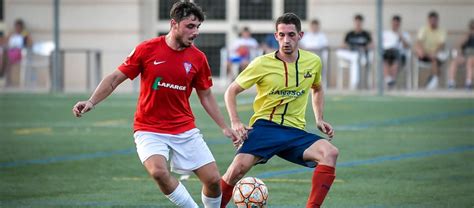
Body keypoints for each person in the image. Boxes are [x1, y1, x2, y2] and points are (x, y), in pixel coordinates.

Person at [72, 2, 239, 208]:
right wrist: (91, 101)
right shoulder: (147, 49)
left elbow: (205, 95)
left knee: (213, 180)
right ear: (174, 24)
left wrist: (224, 126)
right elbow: (115, 78)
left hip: (184, 128)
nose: (195, 32)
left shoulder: (198, 58)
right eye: (190, 26)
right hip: (149, 128)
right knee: (159, 172)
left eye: (197, 27)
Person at [219, 13, 339, 208]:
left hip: (294, 132)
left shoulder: (313, 61)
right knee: (236, 171)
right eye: (282, 35)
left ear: (300, 35)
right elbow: (231, 91)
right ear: (276, 36)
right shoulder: (261, 63)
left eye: (291, 35)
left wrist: (319, 118)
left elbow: (317, 88)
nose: (286, 40)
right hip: (266, 127)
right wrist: (236, 122)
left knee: (330, 153)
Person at [336, 14, 373, 90]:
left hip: (363, 56)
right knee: (340, 52)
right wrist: (347, 47)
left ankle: (354, 85)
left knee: (356, 59)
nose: (358, 24)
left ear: (362, 23)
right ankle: (354, 84)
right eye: (356, 22)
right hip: (350, 54)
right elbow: (342, 45)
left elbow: (372, 45)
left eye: (359, 22)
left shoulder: (366, 34)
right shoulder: (350, 34)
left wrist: (364, 47)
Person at [414, 11, 447, 89]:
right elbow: (419, 42)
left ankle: (432, 80)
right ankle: (433, 80)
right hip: (424, 54)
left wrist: (434, 53)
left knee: (435, 60)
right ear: (428, 20)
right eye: (431, 20)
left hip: (436, 54)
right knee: (434, 60)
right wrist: (421, 50)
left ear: (437, 20)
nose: (433, 22)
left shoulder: (442, 30)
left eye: (434, 20)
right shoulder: (423, 29)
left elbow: (441, 44)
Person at [382, 15, 411, 88]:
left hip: (399, 55)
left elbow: (407, 46)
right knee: (384, 58)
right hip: (387, 53)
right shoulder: (385, 34)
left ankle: (390, 80)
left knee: (396, 57)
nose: (395, 25)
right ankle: (390, 80)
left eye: (397, 24)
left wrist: (401, 37)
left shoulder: (405, 34)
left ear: (399, 24)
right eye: (394, 23)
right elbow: (380, 46)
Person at [3, 19, 33, 87]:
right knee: (4, 56)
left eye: (19, 27)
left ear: (21, 27)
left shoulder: (25, 34)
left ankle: (3, 75)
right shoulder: (12, 34)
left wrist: (25, 39)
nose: (17, 28)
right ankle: (7, 80)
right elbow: (5, 42)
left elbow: (30, 43)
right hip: (10, 52)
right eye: (16, 27)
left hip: (19, 53)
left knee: (5, 59)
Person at [447, 19, 474, 90]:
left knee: (470, 61)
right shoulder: (467, 36)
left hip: (472, 58)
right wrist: (459, 53)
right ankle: (451, 83)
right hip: (465, 56)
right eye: (472, 28)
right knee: (454, 62)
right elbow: (457, 46)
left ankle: (469, 83)